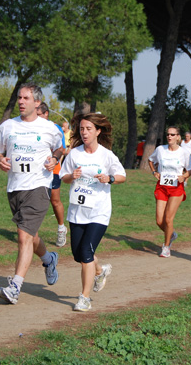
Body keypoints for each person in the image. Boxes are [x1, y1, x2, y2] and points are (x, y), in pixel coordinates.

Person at [0, 83, 63, 304]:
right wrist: (0, 159)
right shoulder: (8, 126)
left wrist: (55, 158)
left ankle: (15, 287)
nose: (21, 102)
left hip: (39, 186)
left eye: (26, 98)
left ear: (37, 103)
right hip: (15, 188)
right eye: (19, 98)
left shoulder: (49, 127)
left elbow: (60, 148)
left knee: (23, 237)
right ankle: (49, 258)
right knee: (30, 236)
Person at [59, 113, 126, 312]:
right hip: (77, 212)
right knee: (78, 254)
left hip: (99, 212)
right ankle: (100, 270)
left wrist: (110, 178)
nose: (84, 132)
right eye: (81, 129)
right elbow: (63, 176)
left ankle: (84, 298)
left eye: (89, 129)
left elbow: (122, 175)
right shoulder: (75, 154)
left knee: (87, 253)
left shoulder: (106, 155)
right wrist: (72, 176)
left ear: (98, 131)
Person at [148, 126, 191, 258]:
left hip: (176, 188)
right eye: (168, 134)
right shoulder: (160, 150)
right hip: (162, 187)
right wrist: (154, 172)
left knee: (168, 219)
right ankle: (172, 234)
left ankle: (166, 246)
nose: (169, 137)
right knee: (159, 220)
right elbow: (150, 160)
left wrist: (184, 176)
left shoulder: (183, 152)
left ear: (178, 137)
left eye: (173, 135)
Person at [36, 103, 68, 247]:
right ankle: (31, 233)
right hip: (36, 170)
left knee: (54, 200)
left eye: (39, 114)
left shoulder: (55, 128)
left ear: (46, 114)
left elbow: (62, 149)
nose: (36, 117)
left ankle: (61, 228)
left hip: (53, 169)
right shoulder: (32, 127)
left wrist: (55, 162)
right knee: (35, 200)